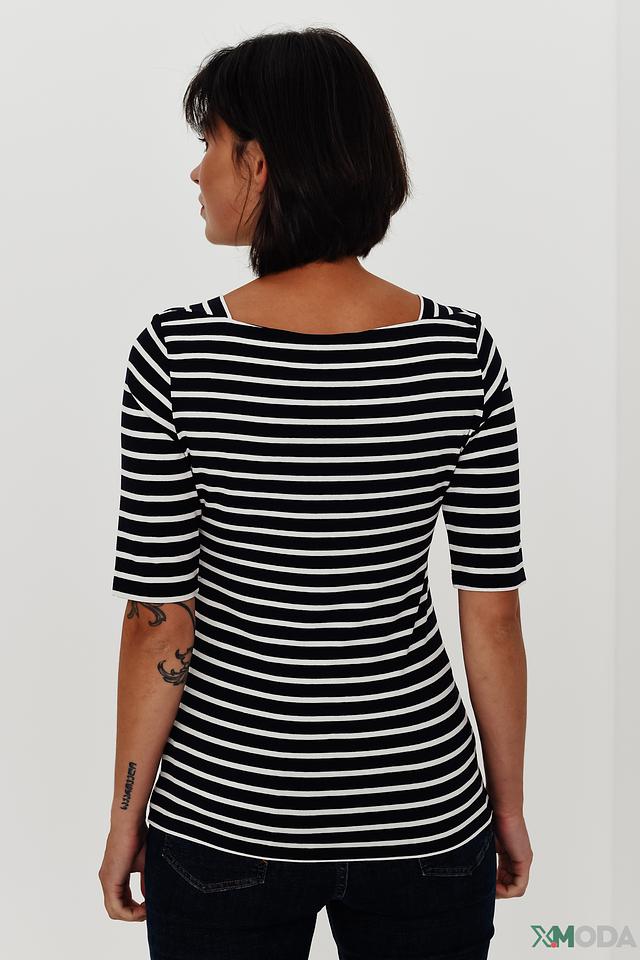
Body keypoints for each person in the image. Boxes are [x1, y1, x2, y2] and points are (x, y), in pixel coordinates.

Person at [98, 26, 533, 960]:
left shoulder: (179, 356)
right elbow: (492, 610)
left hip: (225, 819)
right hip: (423, 816)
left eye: (209, 144)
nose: (196, 173)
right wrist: (508, 808)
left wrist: (124, 815)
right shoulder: (461, 353)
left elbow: (158, 621)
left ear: (259, 163)